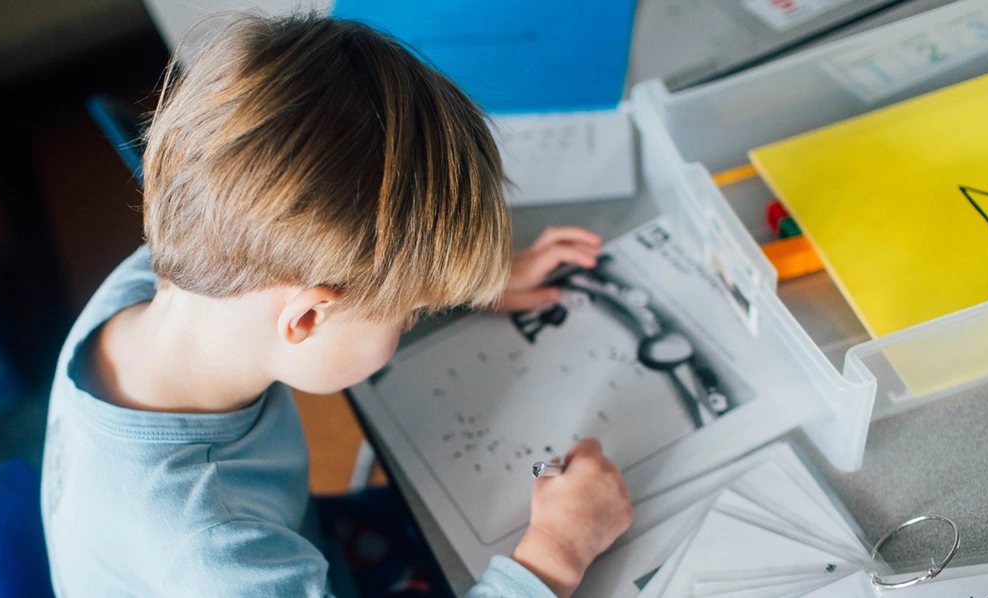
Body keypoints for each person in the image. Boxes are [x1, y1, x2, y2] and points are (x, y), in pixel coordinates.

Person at [41, 12, 633, 597]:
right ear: (306, 318)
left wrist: (461, 277)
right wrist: (556, 553)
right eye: (412, 312)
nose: (413, 318)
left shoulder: (155, 282)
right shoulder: (219, 555)